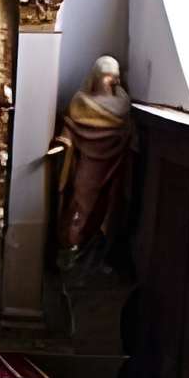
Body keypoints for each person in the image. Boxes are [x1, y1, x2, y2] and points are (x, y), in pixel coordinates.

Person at [48, 54, 135, 262]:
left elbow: (127, 133)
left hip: (113, 165)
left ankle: (95, 253)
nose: (111, 80)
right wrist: (64, 141)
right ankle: (72, 247)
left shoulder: (122, 104)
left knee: (107, 208)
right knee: (81, 205)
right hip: (88, 166)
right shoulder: (81, 102)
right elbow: (70, 127)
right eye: (106, 76)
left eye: (114, 76)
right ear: (96, 77)